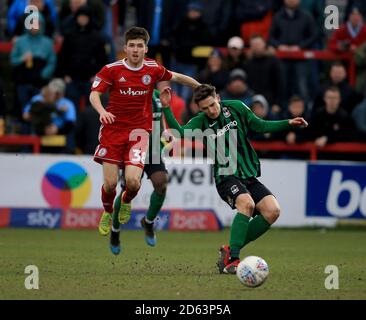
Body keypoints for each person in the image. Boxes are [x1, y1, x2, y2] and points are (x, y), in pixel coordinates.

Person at [160, 84, 308, 274]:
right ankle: (233, 261)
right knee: (246, 204)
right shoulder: (201, 122)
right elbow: (179, 133)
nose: (210, 111)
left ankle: (230, 250)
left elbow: (260, 125)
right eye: (204, 108)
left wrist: (288, 123)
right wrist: (166, 107)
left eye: (212, 105)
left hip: (247, 173)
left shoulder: (237, 107)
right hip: (225, 176)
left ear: (218, 98)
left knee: (272, 211)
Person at [89, 26, 200, 237]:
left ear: (146, 49)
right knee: (111, 184)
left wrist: (200, 86)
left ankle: (127, 200)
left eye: (140, 46)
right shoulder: (111, 69)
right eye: (131, 46)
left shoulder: (153, 69)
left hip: (139, 134)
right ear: (125, 48)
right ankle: (107, 210)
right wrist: (102, 111)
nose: (135, 50)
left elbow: (176, 76)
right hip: (113, 131)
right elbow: (94, 94)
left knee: (132, 182)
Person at [109, 89, 170, 254]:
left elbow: (158, 117)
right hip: (133, 151)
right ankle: (115, 231)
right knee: (128, 190)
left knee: (161, 183)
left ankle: (148, 222)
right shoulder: (127, 93)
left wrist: (164, 132)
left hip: (153, 151)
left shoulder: (156, 94)